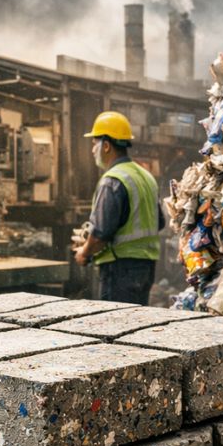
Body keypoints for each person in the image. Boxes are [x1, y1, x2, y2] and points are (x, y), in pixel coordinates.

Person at [72, 110, 164, 305]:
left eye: (94, 144)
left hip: (120, 269)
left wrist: (84, 252)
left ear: (106, 146)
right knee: (136, 319)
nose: (92, 150)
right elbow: (159, 222)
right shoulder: (145, 176)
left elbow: (100, 236)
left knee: (115, 321)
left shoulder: (112, 181)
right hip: (146, 268)